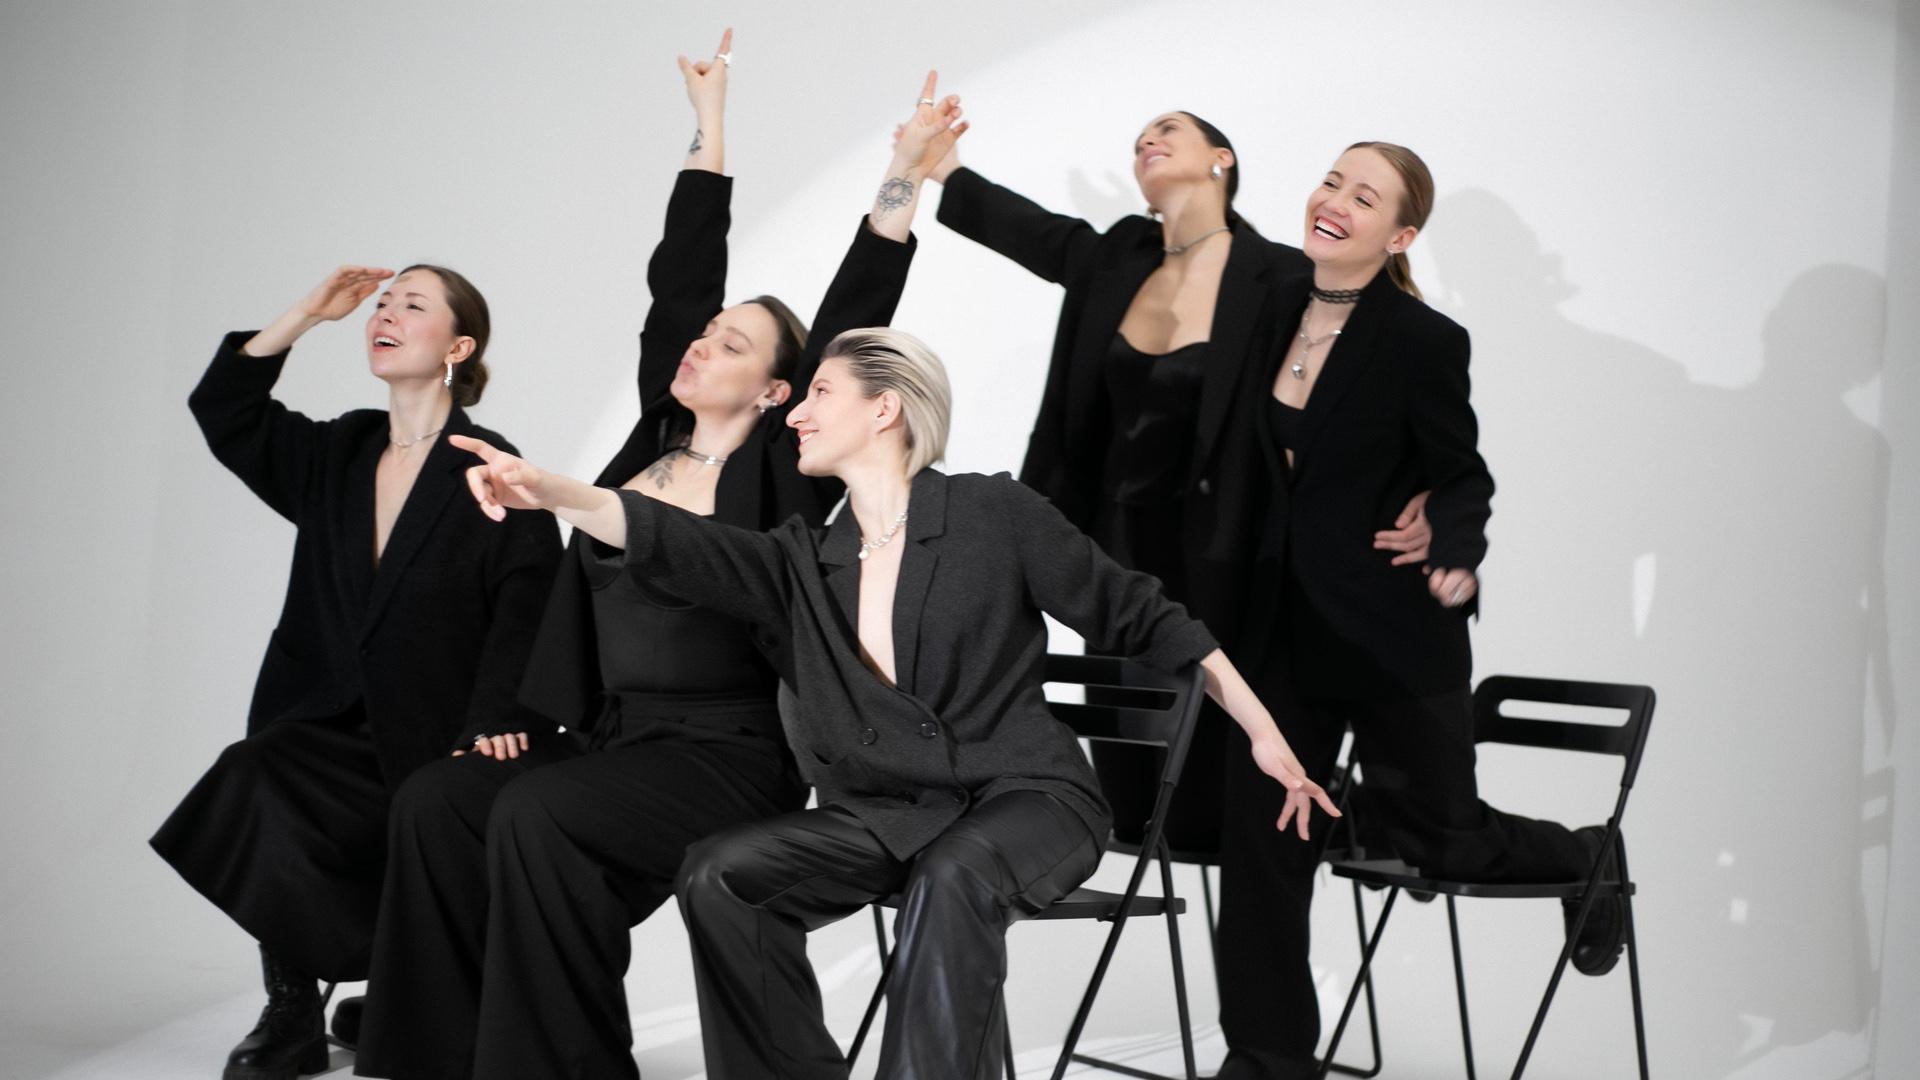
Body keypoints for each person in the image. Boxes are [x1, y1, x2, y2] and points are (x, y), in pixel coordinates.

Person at [450, 321, 1340, 1080]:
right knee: (722, 877)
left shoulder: (995, 513)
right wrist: (548, 489)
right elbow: (672, 539)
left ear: (884, 408)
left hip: (1032, 800)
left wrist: (1266, 735)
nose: (796, 414)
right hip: (893, 813)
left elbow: (1145, 618)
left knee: (954, 875)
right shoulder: (803, 560)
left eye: (819, 394)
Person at [352, 57, 967, 1080]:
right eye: (704, 336)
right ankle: (435, 1055)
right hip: (611, 737)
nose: (701, 345)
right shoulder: (651, 440)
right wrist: (708, 117)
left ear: (777, 391)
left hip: (729, 755)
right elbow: (681, 272)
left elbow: (858, 302)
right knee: (439, 801)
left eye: (731, 345)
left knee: (540, 814)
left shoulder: (782, 470)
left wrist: (904, 171)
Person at [1211, 141, 1623, 1079]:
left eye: (1365, 197)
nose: (1335, 201)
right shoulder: (1272, 303)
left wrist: (1453, 546)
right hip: (1279, 629)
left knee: (1442, 841)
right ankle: (1269, 1059)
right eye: (1332, 181)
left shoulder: (1422, 339)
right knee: (1263, 840)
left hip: (1391, 629)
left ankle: (1584, 854)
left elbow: (1461, 473)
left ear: (1398, 236)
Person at [923, 115, 1431, 855]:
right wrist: (939, 167)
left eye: (1168, 129)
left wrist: (1427, 492)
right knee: (1136, 816)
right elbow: (1027, 229)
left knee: (1210, 816)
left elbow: (1390, 366)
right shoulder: (1116, 258)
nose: (1147, 141)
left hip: (1224, 557)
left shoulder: (1280, 275)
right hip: (1112, 557)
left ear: (1222, 158)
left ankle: (1368, 823)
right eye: (1138, 140)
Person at [150, 262, 560, 1080]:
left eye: (413, 304)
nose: (386, 314)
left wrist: (498, 716)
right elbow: (223, 408)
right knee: (258, 776)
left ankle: (407, 989)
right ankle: (292, 1010)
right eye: (383, 302)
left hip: (434, 724)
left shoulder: (488, 461)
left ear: (458, 347)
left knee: (421, 820)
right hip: (322, 713)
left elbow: (528, 597)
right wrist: (306, 314)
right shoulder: (339, 449)